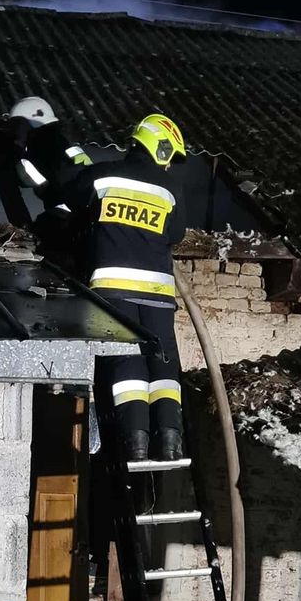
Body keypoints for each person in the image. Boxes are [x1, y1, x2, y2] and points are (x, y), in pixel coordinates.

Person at [55, 112, 188, 462]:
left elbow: (68, 194)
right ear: (160, 148)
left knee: (126, 365)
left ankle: (136, 443)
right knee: (163, 364)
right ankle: (171, 439)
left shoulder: (103, 175)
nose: (171, 163)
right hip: (159, 295)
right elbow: (176, 234)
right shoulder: (169, 189)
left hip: (112, 291)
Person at [6, 96, 91, 206]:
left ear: (32, 123)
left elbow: (26, 179)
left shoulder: (45, 145)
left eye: (18, 126)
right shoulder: (60, 140)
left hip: (70, 207)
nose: (16, 134)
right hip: (80, 203)